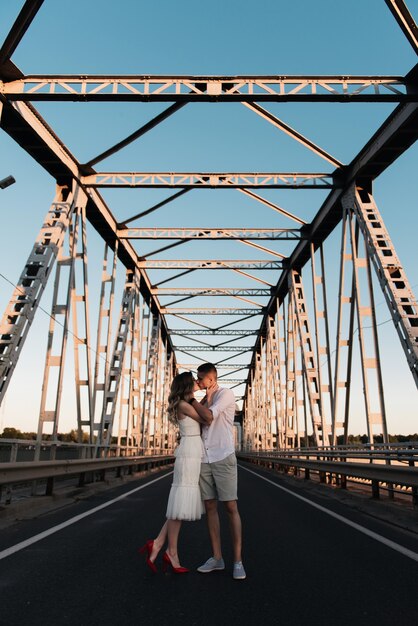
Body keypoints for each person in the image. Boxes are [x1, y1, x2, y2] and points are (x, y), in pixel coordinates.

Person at [139, 371, 210, 574]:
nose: (198, 382)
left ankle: (158, 544)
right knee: (181, 504)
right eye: (194, 381)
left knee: (179, 506)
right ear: (187, 386)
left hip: (191, 450)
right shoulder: (184, 404)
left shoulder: (184, 404)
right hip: (189, 452)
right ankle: (171, 552)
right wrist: (199, 398)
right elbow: (207, 419)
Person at [188, 362, 246, 580]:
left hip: (223, 456)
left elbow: (209, 417)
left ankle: (238, 561)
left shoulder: (226, 394)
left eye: (200, 378)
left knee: (231, 506)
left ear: (211, 380)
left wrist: (192, 399)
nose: (198, 381)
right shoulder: (203, 399)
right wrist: (193, 396)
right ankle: (217, 558)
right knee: (210, 507)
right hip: (204, 458)